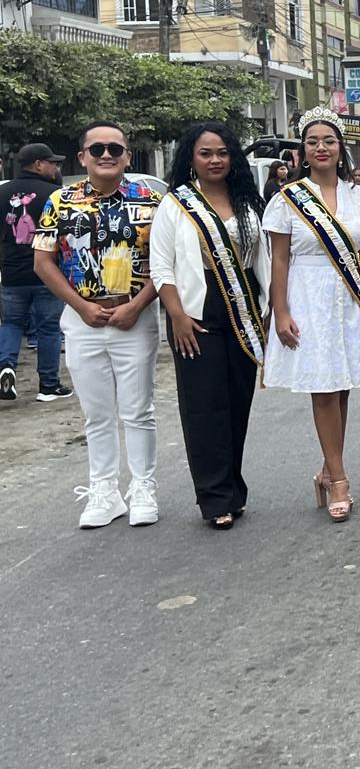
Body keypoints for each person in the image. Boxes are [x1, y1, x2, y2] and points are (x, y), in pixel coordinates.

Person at [33, 122, 163, 529]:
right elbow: (43, 262)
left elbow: (167, 263)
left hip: (134, 318)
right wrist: (81, 307)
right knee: (97, 412)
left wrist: (137, 306)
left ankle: (143, 487)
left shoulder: (151, 201)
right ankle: (104, 490)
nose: (106, 155)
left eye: (115, 149)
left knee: (138, 410)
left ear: (127, 156)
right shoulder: (60, 201)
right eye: (97, 149)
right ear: (82, 157)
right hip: (82, 320)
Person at [262, 107, 360, 522]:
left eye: (329, 141)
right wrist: (280, 311)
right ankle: (339, 480)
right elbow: (279, 260)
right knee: (324, 387)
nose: (321, 148)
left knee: (342, 385)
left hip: (348, 299)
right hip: (307, 297)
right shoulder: (287, 200)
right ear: (302, 150)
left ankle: (327, 469)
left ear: (340, 148)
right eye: (313, 141)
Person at [150, 122, 269, 529]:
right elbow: (161, 267)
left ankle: (233, 488)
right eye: (206, 153)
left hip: (244, 306)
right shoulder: (176, 204)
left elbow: (261, 260)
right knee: (204, 406)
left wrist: (269, 308)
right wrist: (177, 316)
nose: (215, 160)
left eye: (222, 152)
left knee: (237, 401)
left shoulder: (247, 201)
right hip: (196, 311)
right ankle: (214, 497)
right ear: (191, 158)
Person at [1, 142, 71, 403]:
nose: (56, 168)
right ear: (39, 164)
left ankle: (5, 366)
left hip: (12, 274)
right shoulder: (55, 195)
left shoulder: (2, 192)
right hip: (47, 274)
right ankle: (49, 385)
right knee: (49, 329)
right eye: (52, 163)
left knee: (11, 323)